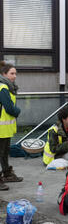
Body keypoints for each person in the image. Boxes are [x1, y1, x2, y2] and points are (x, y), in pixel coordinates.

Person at [0, 61, 23, 190]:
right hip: (1, 128)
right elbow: (9, 108)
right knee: (1, 153)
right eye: (12, 73)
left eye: (15, 73)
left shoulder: (6, 87)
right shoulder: (3, 88)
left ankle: (7, 174)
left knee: (4, 153)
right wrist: (17, 111)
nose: (14, 76)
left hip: (4, 128)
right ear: (4, 74)